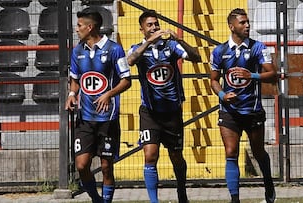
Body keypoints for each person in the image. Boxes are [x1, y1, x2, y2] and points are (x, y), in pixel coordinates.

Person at [127, 10, 201, 203]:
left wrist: (180, 40)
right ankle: (154, 201)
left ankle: (182, 192)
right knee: (150, 155)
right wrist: (149, 43)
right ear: (142, 29)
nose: (154, 28)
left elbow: (196, 57)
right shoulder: (138, 48)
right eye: (149, 25)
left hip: (172, 112)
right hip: (149, 112)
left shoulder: (171, 47)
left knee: (176, 156)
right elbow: (130, 61)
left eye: (156, 24)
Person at [210, 8, 277, 203]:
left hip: (252, 110)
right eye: (242, 22)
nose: (247, 25)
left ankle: (269, 188)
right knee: (231, 152)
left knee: (258, 152)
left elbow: (272, 74)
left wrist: (252, 75)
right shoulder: (219, 51)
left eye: (248, 22)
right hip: (229, 111)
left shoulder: (258, 48)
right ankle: (235, 199)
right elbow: (213, 80)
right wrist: (222, 94)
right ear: (232, 26)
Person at [65, 8, 131, 203]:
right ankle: (96, 200)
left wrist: (108, 94)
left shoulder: (114, 49)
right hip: (85, 119)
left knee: (106, 167)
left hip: (107, 118)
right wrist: (71, 94)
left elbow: (127, 80)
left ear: (90, 27)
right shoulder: (77, 51)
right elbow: (75, 79)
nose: (76, 29)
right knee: (81, 165)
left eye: (79, 25)